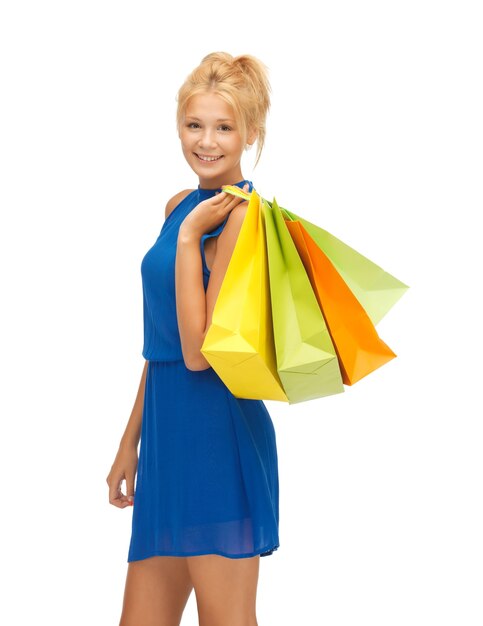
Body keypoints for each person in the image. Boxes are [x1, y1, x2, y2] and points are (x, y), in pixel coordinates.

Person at [106, 51, 279, 626]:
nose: (206, 142)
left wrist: (187, 243)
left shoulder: (242, 219)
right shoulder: (180, 207)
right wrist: (131, 441)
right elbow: (158, 347)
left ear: (250, 133)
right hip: (166, 438)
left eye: (224, 127)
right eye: (194, 124)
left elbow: (198, 353)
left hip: (216, 439)